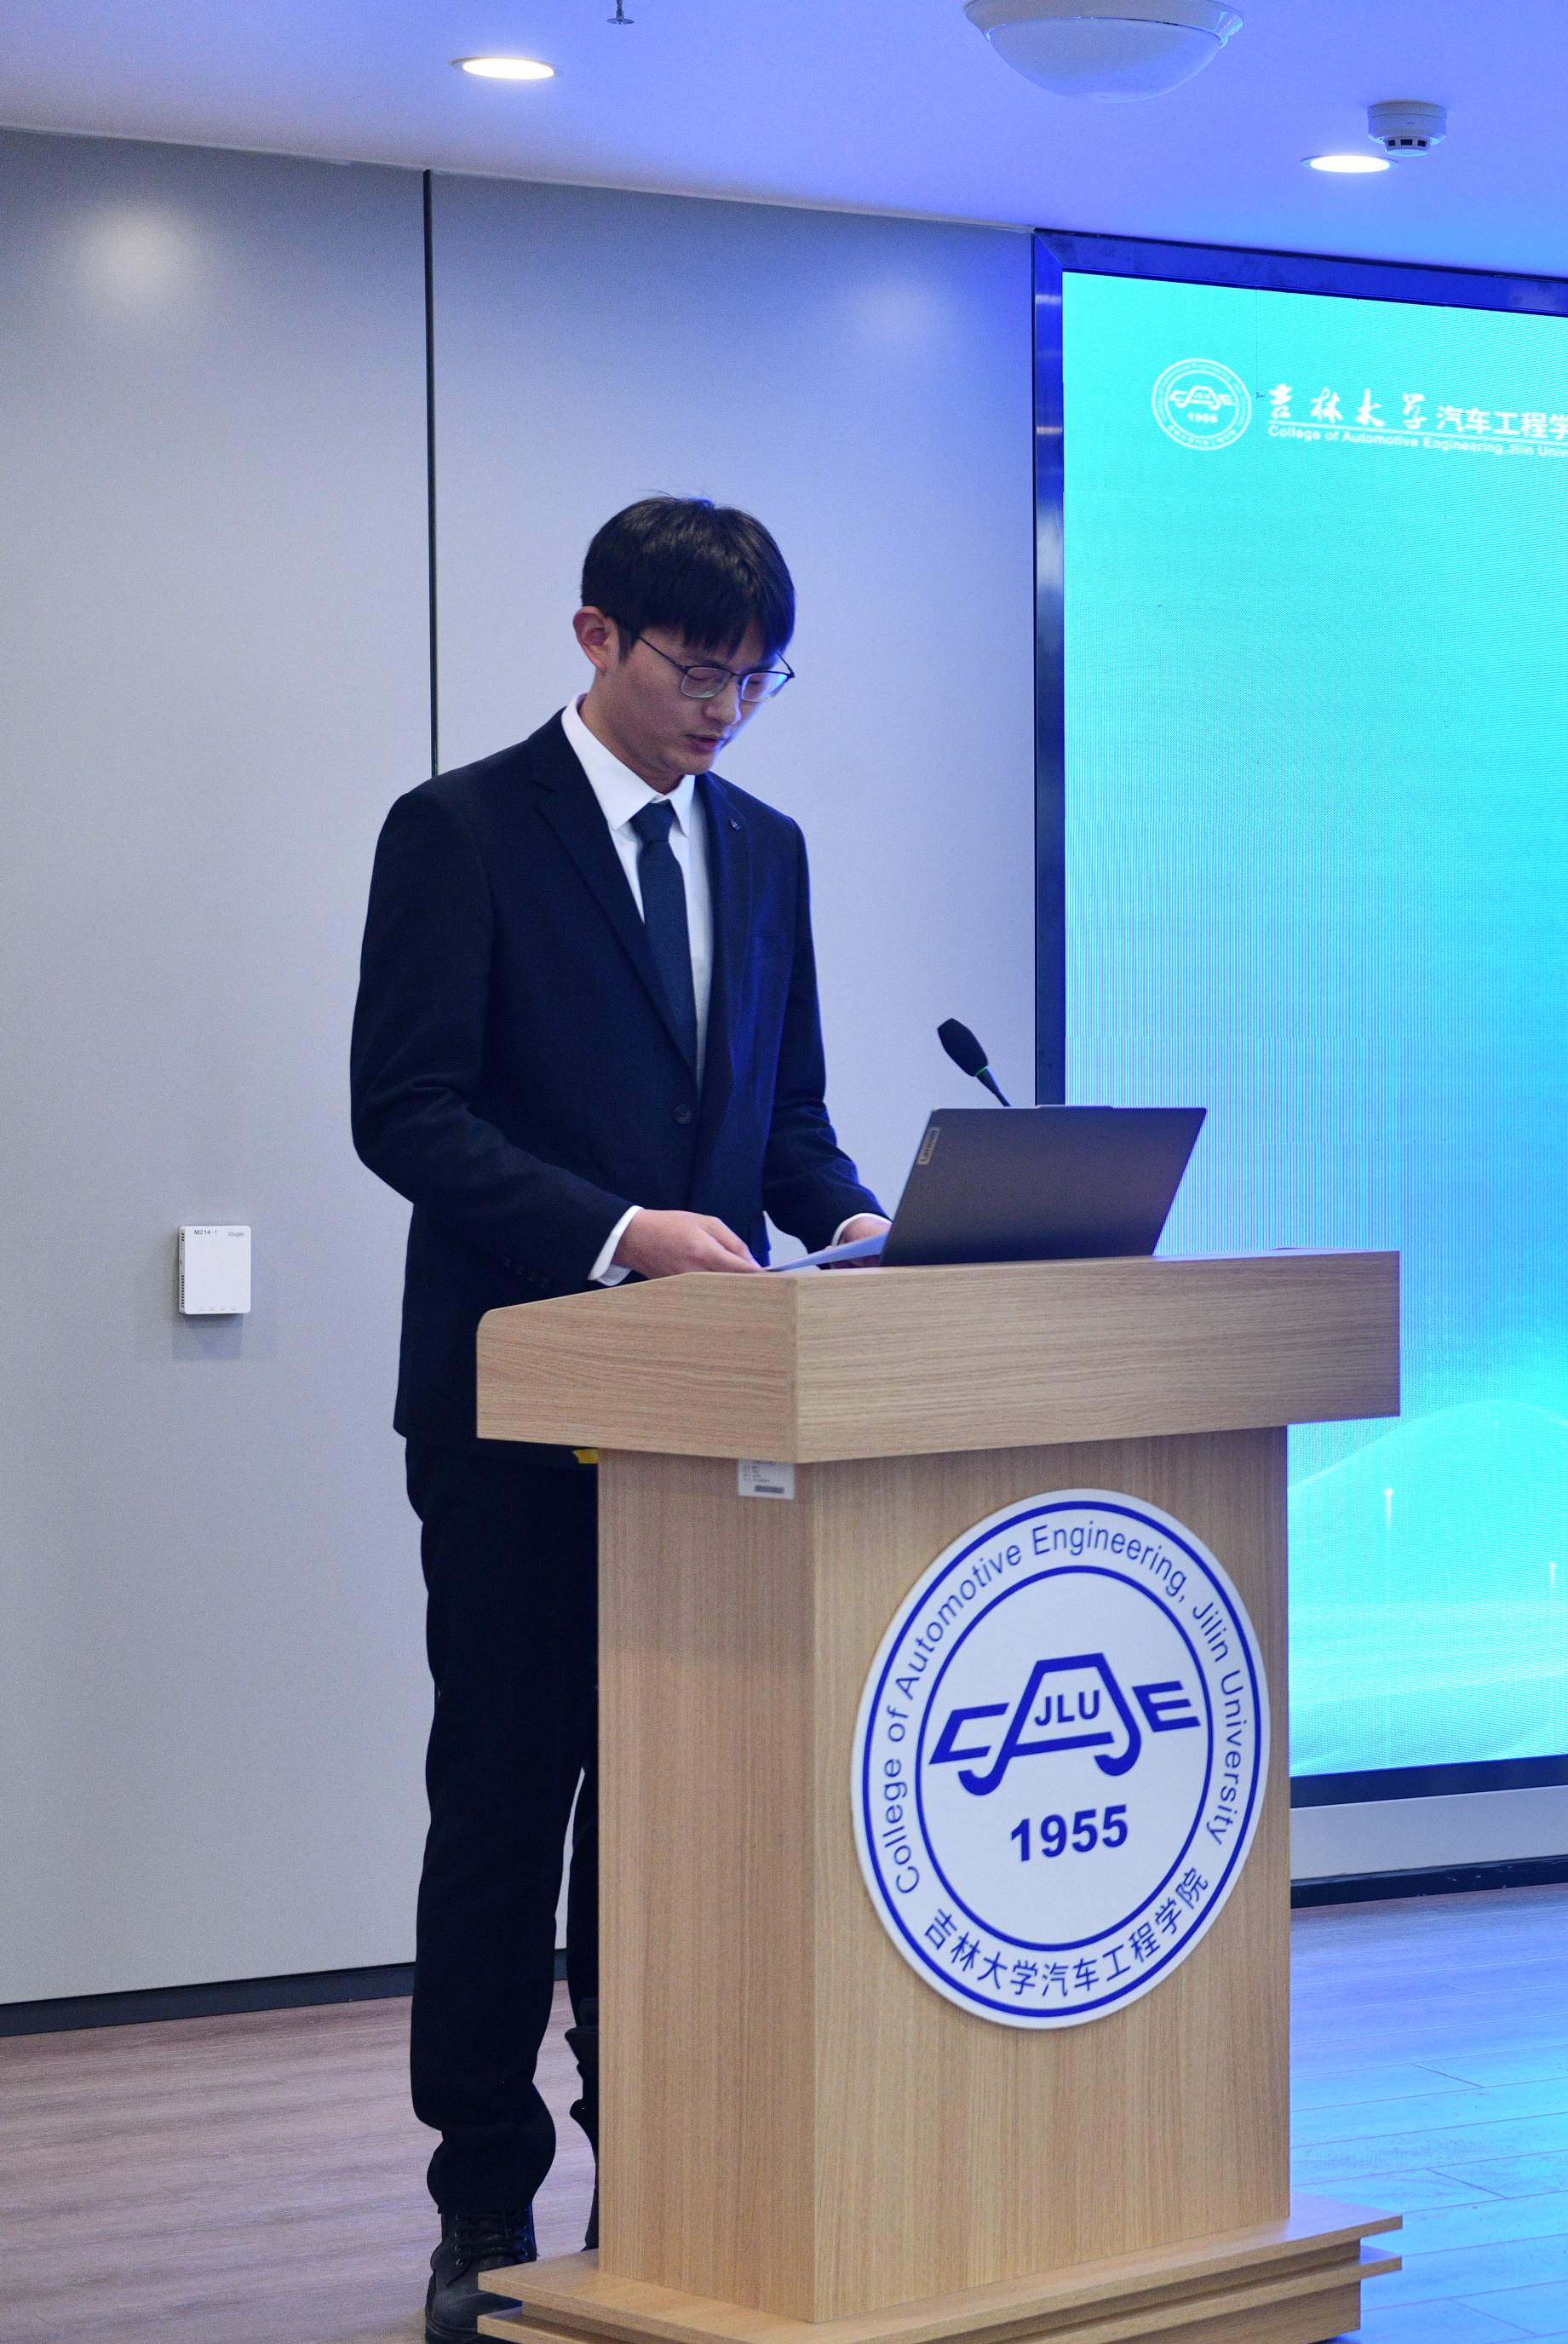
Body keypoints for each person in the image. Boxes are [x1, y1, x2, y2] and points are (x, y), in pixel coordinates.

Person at [349, 497, 888, 2342]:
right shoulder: (460, 831)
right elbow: (406, 1110)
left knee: (673, 1813)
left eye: (757, 679)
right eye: (695, 671)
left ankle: (651, 2173)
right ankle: (481, 2195)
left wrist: (858, 1221)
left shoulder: (769, 849)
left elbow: (784, 1118)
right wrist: (617, 1232)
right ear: (595, 636)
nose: (724, 710)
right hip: (516, 1410)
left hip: (709, 1432)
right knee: (508, 1801)